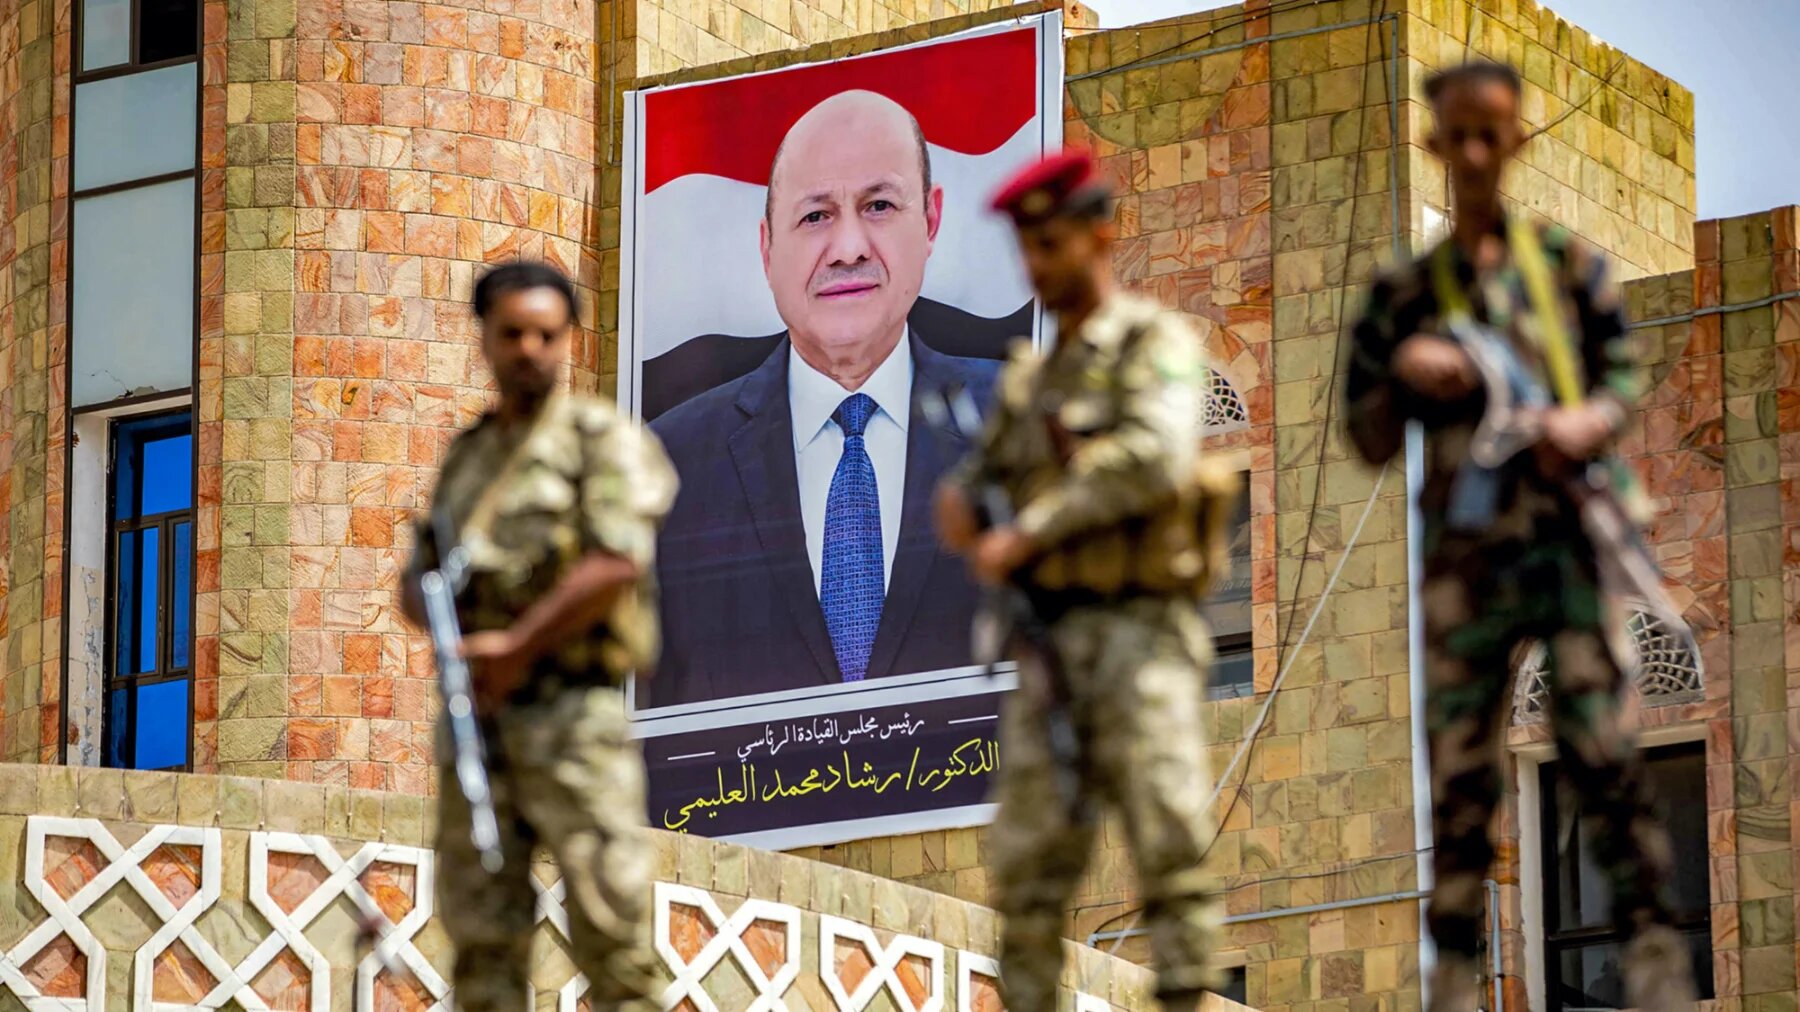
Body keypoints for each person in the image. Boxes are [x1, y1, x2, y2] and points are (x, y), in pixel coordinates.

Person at [1344, 61, 1697, 1012]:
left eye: (1488, 135)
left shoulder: (1567, 270)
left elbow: (1624, 378)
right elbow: (1364, 434)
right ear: (1432, 144)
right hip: (1463, 568)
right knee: (1460, 784)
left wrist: (1586, 421)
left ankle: (1657, 964)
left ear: (1516, 142)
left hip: (1566, 552)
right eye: (1454, 136)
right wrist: (1412, 374)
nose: (1470, 155)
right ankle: (1454, 979)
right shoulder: (1405, 294)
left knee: (1604, 756)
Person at [937, 149, 1229, 1011]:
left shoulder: (1155, 345)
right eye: (1026, 248)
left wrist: (1031, 528)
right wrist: (963, 506)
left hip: (1141, 636)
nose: (1037, 265)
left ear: (1100, 235)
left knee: (1169, 849)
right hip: (1050, 652)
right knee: (1026, 875)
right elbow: (979, 481)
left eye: (1052, 244)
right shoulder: (1029, 378)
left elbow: (1154, 457)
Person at [646, 89, 999, 707]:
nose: (848, 248)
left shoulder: (1022, 429)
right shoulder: (668, 466)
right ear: (767, 247)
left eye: (880, 205)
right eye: (815, 216)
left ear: (932, 220)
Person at [400, 261, 676, 1010]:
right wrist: (439, 609)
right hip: (481, 726)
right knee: (482, 946)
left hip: (571, 715)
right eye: (512, 332)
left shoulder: (596, 439)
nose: (529, 349)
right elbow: (423, 582)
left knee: (612, 932)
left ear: (570, 339)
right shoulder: (469, 457)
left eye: (546, 334)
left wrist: (516, 646)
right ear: (484, 338)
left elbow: (617, 560)